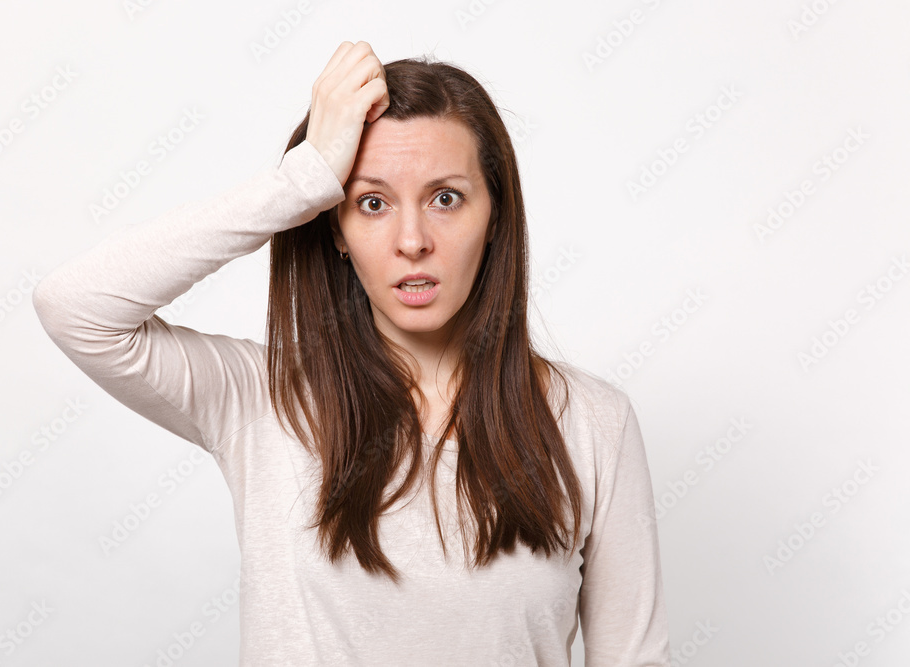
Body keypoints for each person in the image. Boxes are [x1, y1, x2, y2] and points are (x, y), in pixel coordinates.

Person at [33, 40, 672, 666]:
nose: (413, 240)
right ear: (335, 227)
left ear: (496, 216)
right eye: (372, 203)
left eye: (445, 198)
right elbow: (76, 306)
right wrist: (302, 178)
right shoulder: (261, 402)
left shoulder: (593, 423)